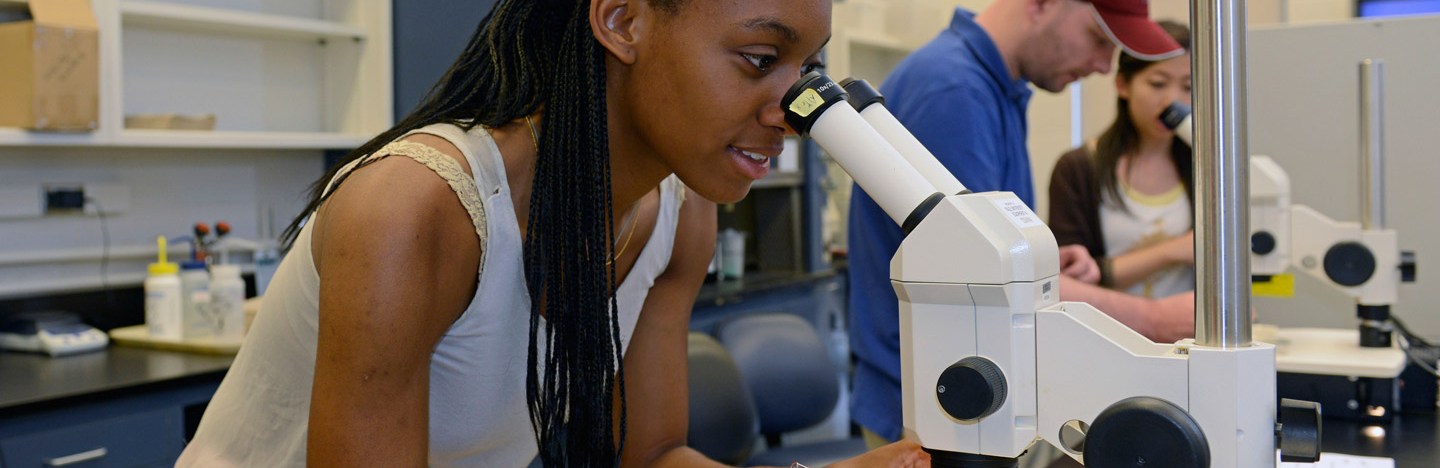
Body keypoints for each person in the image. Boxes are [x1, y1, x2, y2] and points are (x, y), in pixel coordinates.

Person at [177, 0, 930, 466]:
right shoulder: (415, 209)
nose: (793, 108)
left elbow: (652, 455)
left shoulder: (681, 214)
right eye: (761, 60)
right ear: (621, 20)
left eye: (807, 68)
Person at [844, 0, 1192, 461]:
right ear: (1043, 6)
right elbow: (982, 268)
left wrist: (1046, 258)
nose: (1103, 66)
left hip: (971, 404)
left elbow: (990, 246)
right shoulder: (954, 91)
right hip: (940, 416)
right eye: (1097, 39)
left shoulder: (995, 88)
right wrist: (1151, 320)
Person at [1049, 20, 1194, 303]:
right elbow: (1069, 279)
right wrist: (1172, 250)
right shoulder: (1078, 169)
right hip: (1107, 335)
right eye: (1157, 83)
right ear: (1123, 85)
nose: (1171, 101)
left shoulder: (1205, 165)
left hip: (1188, 335)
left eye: (1187, 87)